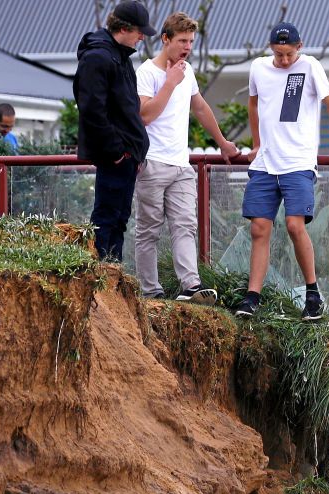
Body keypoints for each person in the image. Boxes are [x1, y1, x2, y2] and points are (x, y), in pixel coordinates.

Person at [231, 21, 329, 320]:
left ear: (299, 47)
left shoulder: (311, 67)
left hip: (298, 162)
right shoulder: (259, 68)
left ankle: (312, 293)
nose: (284, 60)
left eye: (289, 54)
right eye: (279, 54)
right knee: (258, 228)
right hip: (265, 162)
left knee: (294, 224)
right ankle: (253, 296)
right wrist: (257, 143)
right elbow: (253, 105)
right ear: (271, 49)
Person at [133, 12, 239, 303]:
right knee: (149, 231)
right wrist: (169, 82)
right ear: (165, 39)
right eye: (182, 40)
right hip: (152, 162)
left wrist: (223, 143)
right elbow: (145, 116)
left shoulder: (187, 70)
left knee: (185, 226)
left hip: (181, 165)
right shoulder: (146, 72)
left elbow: (201, 107)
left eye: (191, 41)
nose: (188, 47)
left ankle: (190, 286)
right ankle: (150, 292)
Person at [74, 0, 154, 260]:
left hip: (126, 155)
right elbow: (92, 109)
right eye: (139, 31)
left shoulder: (117, 56)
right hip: (116, 156)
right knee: (107, 218)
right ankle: (102, 278)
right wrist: (117, 151)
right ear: (125, 28)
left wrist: (134, 152)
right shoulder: (99, 57)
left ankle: (113, 275)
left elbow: (125, 108)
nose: (142, 36)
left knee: (118, 218)